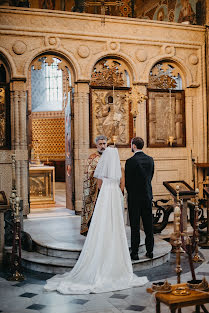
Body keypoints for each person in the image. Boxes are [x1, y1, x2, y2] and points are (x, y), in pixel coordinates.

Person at [44, 147, 148, 294]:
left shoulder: (103, 168)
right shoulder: (120, 169)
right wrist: (117, 191)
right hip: (115, 195)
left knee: (102, 223)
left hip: (105, 196)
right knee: (116, 225)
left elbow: (98, 185)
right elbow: (122, 185)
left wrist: (106, 188)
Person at [125, 137, 154, 261]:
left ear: (134, 146)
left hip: (134, 198)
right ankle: (150, 251)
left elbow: (127, 181)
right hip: (147, 195)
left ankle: (135, 253)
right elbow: (150, 177)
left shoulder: (130, 161)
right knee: (148, 225)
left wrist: (131, 192)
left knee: (135, 226)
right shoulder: (150, 160)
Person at [80, 135, 107, 236]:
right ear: (96, 145)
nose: (102, 146)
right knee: (95, 210)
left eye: (104, 143)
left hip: (106, 189)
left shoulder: (109, 157)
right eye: (100, 144)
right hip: (95, 190)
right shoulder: (92, 158)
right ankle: (92, 231)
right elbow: (88, 174)